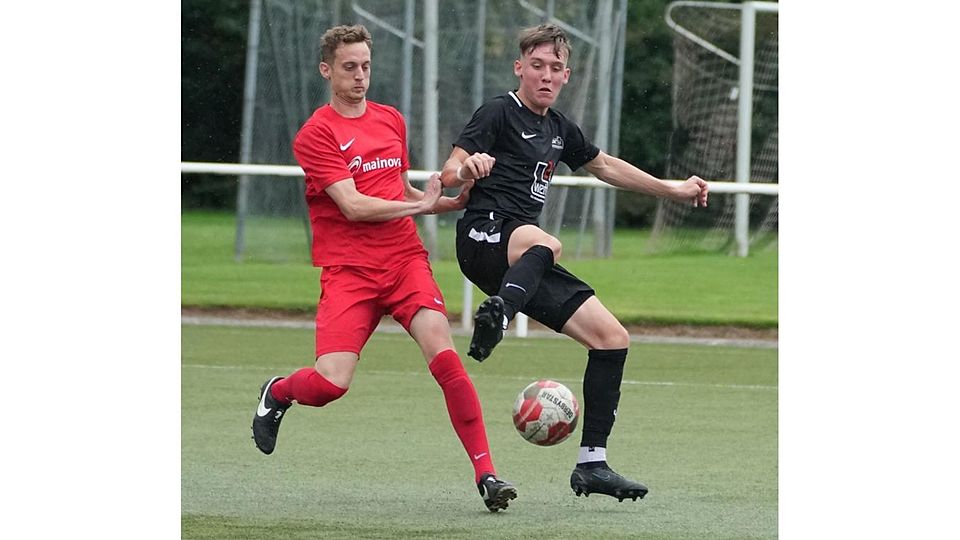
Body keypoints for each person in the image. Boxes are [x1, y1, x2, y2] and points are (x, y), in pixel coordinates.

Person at [251, 24, 517, 513]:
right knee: (331, 383)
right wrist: (420, 208)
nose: (360, 77)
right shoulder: (316, 134)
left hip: (403, 261)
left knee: (445, 355)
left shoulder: (391, 119)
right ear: (326, 70)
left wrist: (448, 202)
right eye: (349, 67)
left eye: (366, 66)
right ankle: (279, 391)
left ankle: (488, 475)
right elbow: (353, 206)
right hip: (349, 272)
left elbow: (402, 194)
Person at [441, 23, 709, 502]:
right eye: (537, 65)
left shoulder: (560, 128)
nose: (546, 75)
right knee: (547, 242)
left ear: (567, 75)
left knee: (611, 339)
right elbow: (447, 174)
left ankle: (592, 464)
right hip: (484, 239)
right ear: (519, 67)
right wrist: (467, 168)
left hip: (524, 259)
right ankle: (499, 315)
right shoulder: (497, 113)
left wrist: (672, 189)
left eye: (556, 68)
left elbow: (606, 167)